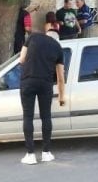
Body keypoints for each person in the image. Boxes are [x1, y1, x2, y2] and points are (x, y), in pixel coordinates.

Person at [17, 30, 66, 165]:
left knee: (28, 117)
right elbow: (61, 78)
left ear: (46, 34)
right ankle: (46, 153)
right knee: (46, 117)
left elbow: (21, 60)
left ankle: (30, 155)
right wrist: (62, 97)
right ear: (57, 39)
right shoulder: (58, 48)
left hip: (28, 81)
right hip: (45, 83)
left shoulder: (33, 37)